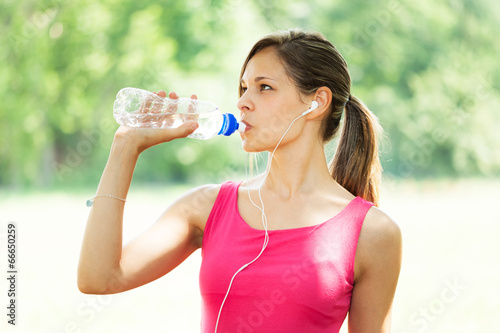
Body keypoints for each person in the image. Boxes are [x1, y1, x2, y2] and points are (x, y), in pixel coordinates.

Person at [78, 29, 402, 333]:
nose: (243, 102)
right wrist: (125, 147)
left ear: (316, 102)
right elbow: (99, 277)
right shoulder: (206, 207)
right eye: (244, 87)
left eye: (264, 87)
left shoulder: (373, 234)